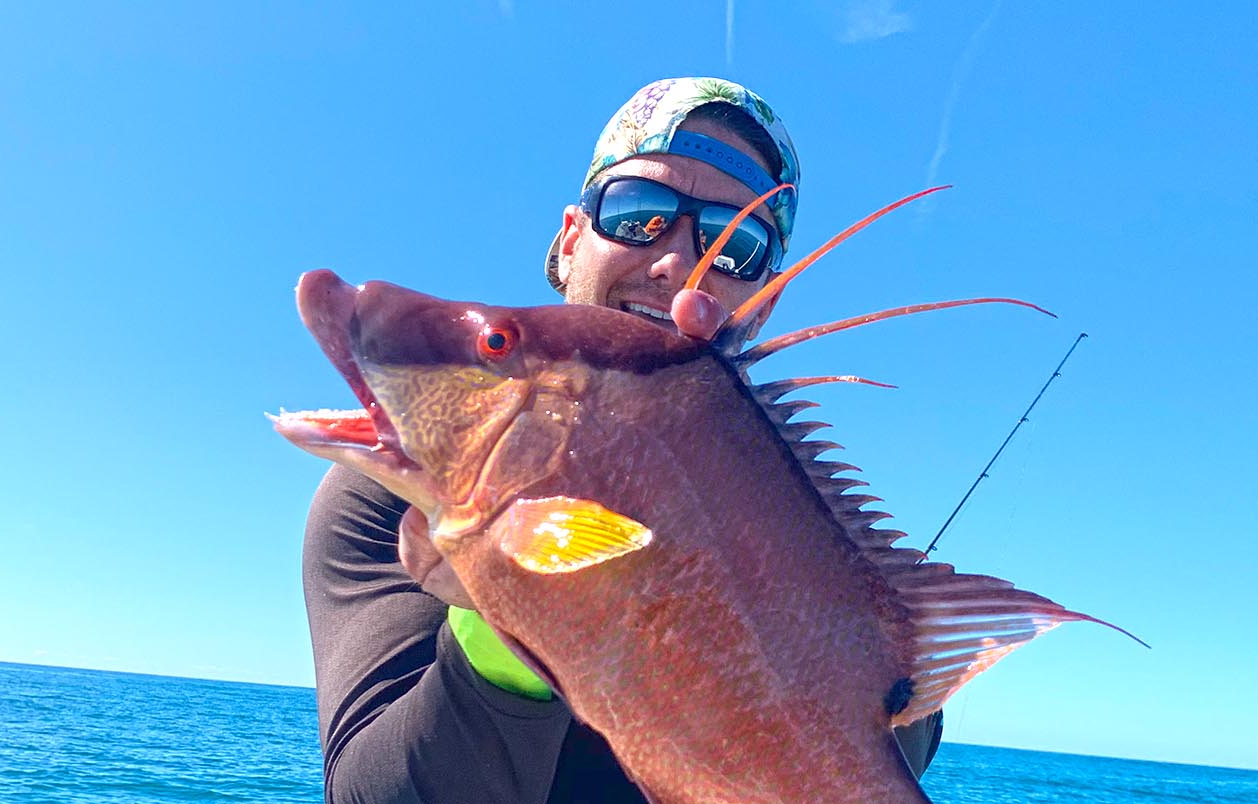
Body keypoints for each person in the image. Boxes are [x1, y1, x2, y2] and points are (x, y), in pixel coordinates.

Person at [302, 77, 944, 804]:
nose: (675, 258)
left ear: (765, 298)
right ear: (572, 240)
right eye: (640, 212)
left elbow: (901, 733)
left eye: (735, 244)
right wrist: (499, 627)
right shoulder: (385, 494)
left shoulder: (797, 519)